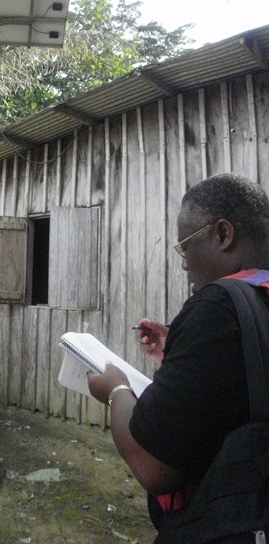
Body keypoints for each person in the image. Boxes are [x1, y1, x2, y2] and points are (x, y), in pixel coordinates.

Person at [87, 173, 269, 536]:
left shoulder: (218, 305)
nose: (185, 263)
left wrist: (116, 390)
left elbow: (153, 465)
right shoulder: (256, 300)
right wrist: (180, 348)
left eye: (185, 246)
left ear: (222, 234)